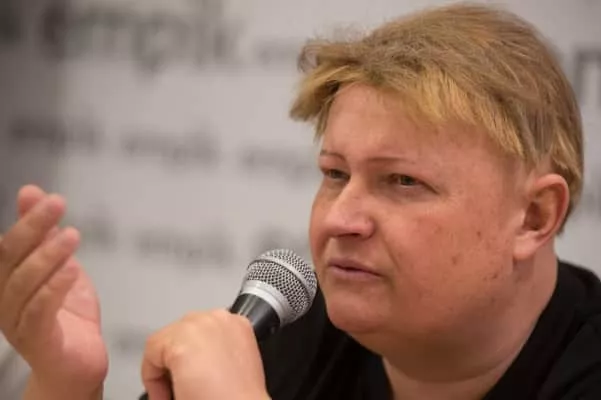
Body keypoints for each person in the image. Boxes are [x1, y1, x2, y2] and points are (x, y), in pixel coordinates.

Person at [1, 3, 600, 400]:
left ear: (534, 217)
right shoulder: (296, 335)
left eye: (402, 182)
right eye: (335, 174)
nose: (340, 219)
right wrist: (65, 383)